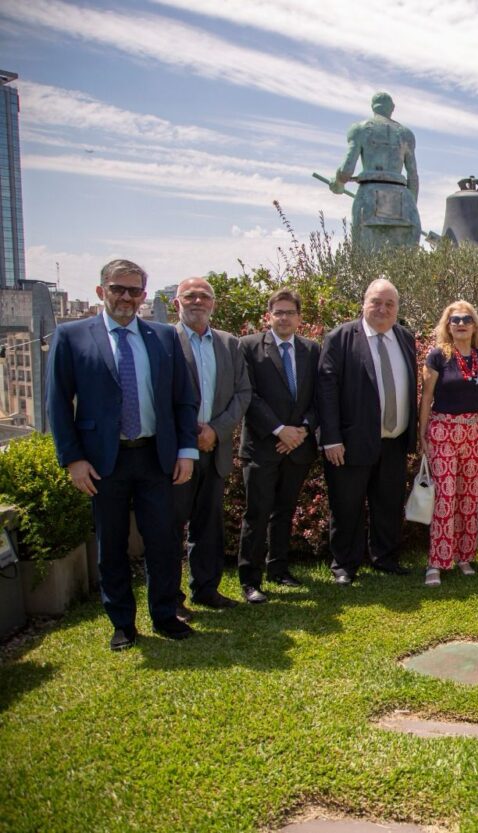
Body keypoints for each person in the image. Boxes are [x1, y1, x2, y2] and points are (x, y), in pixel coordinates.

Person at [46, 259, 199, 650]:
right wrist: (73, 459)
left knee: (163, 541)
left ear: (144, 296)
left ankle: (165, 615)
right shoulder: (72, 337)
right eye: (118, 289)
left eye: (134, 291)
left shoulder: (164, 337)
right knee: (111, 544)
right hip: (102, 462)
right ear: (102, 291)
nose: (126, 297)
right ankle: (122, 624)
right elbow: (59, 404)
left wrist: (186, 449)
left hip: (155, 457)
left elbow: (183, 400)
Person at [317, 279, 418, 585]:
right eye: (376, 302)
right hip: (350, 441)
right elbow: (326, 391)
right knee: (347, 505)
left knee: (388, 503)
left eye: (390, 304)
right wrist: (331, 438)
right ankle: (345, 565)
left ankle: (385, 557)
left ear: (397, 309)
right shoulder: (341, 337)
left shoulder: (404, 337)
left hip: (394, 441)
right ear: (363, 303)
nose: (383, 309)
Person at [171, 277, 251, 614]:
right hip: (177, 453)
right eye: (190, 295)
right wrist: (192, 433)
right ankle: (171, 599)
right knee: (170, 529)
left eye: (204, 296)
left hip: (215, 449)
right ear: (177, 302)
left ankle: (207, 589)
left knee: (208, 526)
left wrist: (216, 431)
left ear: (213, 304)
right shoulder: (165, 340)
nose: (198, 301)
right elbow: (160, 396)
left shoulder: (229, 344)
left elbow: (242, 393)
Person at [237, 288, 320, 603]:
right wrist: (279, 430)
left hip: (298, 446)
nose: (284, 317)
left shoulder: (311, 350)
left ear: (299, 317)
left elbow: (318, 397)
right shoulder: (248, 347)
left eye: (290, 312)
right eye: (278, 312)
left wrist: (301, 430)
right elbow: (249, 395)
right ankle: (250, 580)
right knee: (256, 514)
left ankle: (279, 569)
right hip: (262, 446)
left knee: (284, 512)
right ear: (269, 316)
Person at [419, 300, 478, 586]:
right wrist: (422, 434)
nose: (461, 324)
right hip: (442, 430)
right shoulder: (437, 356)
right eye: (455, 320)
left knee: (469, 496)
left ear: (475, 325)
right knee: (446, 496)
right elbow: (426, 397)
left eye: (466, 319)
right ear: (447, 326)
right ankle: (436, 562)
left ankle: (464, 555)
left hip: (473, 431)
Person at [327, 91, 422, 251]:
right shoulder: (406, 134)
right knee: (404, 262)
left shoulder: (359, 129)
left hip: (368, 194)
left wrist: (337, 183)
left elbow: (345, 171)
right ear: (392, 108)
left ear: (373, 107)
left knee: (364, 259)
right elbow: (413, 175)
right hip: (403, 198)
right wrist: (410, 206)